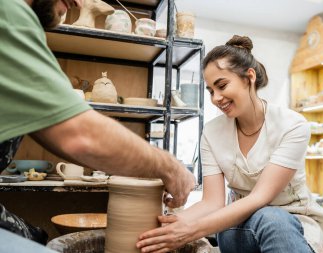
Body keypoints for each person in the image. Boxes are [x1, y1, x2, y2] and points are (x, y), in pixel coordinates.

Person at [0, 0, 194, 246]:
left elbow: (67, 137)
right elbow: (82, 137)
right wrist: (170, 166)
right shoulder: (9, 12)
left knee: (38, 237)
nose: (80, 2)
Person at [136, 35, 323, 253]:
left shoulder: (292, 126)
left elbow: (261, 197)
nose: (215, 98)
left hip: (294, 222)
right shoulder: (212, 132)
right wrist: (165, 226)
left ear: (248, 77)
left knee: (272, 219)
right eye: (211, 90)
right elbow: (212, 202)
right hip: (237, 225)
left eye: (222, 86)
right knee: (267, 219)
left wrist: (191, 230)